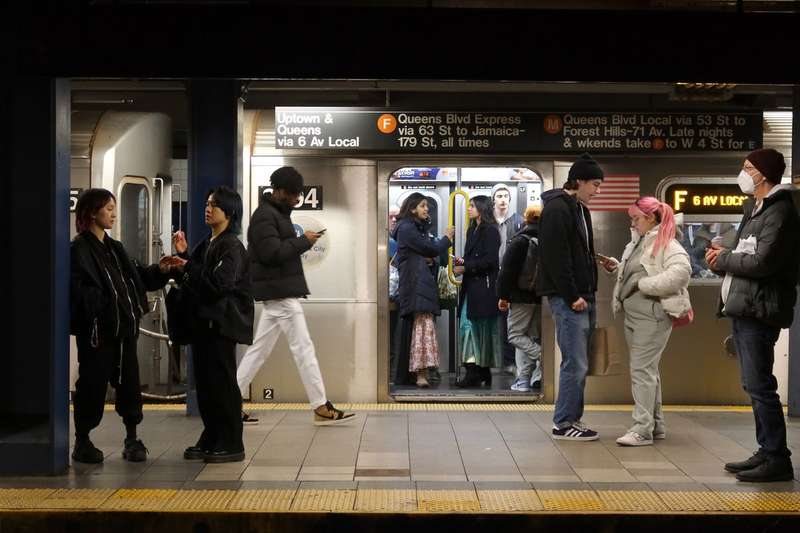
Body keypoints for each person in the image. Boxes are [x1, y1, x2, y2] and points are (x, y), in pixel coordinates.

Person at [706, 148, 800, 482]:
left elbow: (763, 262)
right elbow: (746, 256)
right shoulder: (758, 209)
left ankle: (777, 458)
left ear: (763, 174)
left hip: (760, 308)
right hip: (746, 305)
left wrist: (724, 258)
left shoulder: (780, 212)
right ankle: (767, 450)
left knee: (761, 386)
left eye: (748, 168)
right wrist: (722, 261)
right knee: (754, 383)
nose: (743, 173)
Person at [236, 167, 356, 425]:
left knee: (260, 350)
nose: (296, 199)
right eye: (293, 194)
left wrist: (302, 241)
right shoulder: (265, 217)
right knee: (303, 348)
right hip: (280, 294)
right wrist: (304, 241)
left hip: (278, 292)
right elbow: (271, 253)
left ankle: (231, 400)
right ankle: (320, 405)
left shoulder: (275, 215)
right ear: (278, 191)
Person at [70, 188, 173, 463]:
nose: (114, 213)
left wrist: (160, 271)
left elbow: (138, 276)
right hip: (98, 334)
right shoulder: (79, 249)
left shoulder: (115, 249)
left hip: (124, 332)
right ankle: (82, 440)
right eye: (108, 208)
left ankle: (132, 437)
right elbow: (79, 291)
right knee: (92, 384)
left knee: (129, 384)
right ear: (92, 212)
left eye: (114, 208)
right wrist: (103, 308)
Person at [169, 186, 253, 463]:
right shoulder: (208, 243)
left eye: (214, 205)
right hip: (204, 325)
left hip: (221, 325)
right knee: (206, 385)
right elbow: (197, 278)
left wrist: (187, 265)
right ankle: (212, 435)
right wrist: (183, 258)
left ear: (228, 212)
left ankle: (231, 442)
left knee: (222, 384)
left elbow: (218, 285)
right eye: (207, 203)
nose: (208, 208)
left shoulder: (231, 246)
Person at [599, 197, 691, 446]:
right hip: (635, 316)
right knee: (647, 371)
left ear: (650, 218)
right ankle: (656, 425)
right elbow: (639, 271)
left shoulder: (667, 243)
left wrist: (645, 286)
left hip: (652, 315)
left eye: (636, 218)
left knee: (641, 371)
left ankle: (642, 429)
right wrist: (617, 268)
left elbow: (681, 273)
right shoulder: (638, 242)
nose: (632, 222)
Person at [537, 153, 603, 441]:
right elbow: (555, 256)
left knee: (580, 362)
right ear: (579, 181)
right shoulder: (557, 209)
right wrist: (571, 294)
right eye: (595, 185)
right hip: (570, 297)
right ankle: (563, 422)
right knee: (574, 362)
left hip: (584, 293)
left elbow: (576, 251)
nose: (597, 191)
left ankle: (573, 418)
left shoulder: (579, 209)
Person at [392, 193, 455, 387]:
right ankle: (420, 374)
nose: (426, 209)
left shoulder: (414, 228)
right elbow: (430, 248)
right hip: (416, 284)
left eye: (427, 206)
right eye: (422, 206)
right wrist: (446, 238)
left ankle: (416, 373)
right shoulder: (407, 228)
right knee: (421, 328)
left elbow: (428, 253)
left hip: (419, 284)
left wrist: (430, 257)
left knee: (418, 328)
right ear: (412, 209)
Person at [454, 195, 502, 387]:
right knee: (473, 328)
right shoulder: (472, 230)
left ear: (481, 208)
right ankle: (481, 371)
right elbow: (476, 257)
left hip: (483, 287)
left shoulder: (490, 231)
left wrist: (467, 267)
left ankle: (474, 373)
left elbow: (491, 261)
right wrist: (464, 261)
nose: (469, 209)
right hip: (473, 287)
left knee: (472, 328)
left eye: (472, 206)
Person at [497, 205, 543, 393]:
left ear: (526, 218)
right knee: (530, 337)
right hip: (540, 297)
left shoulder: (520, 240)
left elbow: (507, 271)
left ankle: (545, 357)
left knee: (515, 335)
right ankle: (524, 380)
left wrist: (503, 295)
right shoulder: (547, 240)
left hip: (521, 296)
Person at [492, 183, 524, 375]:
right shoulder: (488, 223)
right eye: (499, 196)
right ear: (493, 200)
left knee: (509, 321)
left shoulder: (518, 222)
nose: (503, 199)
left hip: (511, 277)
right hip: (491, 275)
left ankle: (509, 361)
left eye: (506, 196)